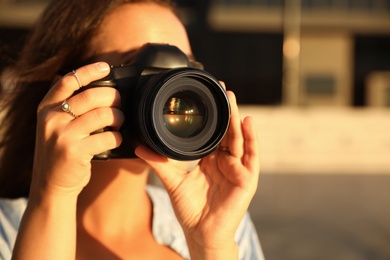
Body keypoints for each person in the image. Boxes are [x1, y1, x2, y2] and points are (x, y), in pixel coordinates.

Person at [0, 0, 264, 259]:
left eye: (184, 67)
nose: (172, 86)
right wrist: (53, 199)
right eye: (136, 67)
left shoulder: (226, 225)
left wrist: (211, 246)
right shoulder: (7, 231)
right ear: (66, 91)